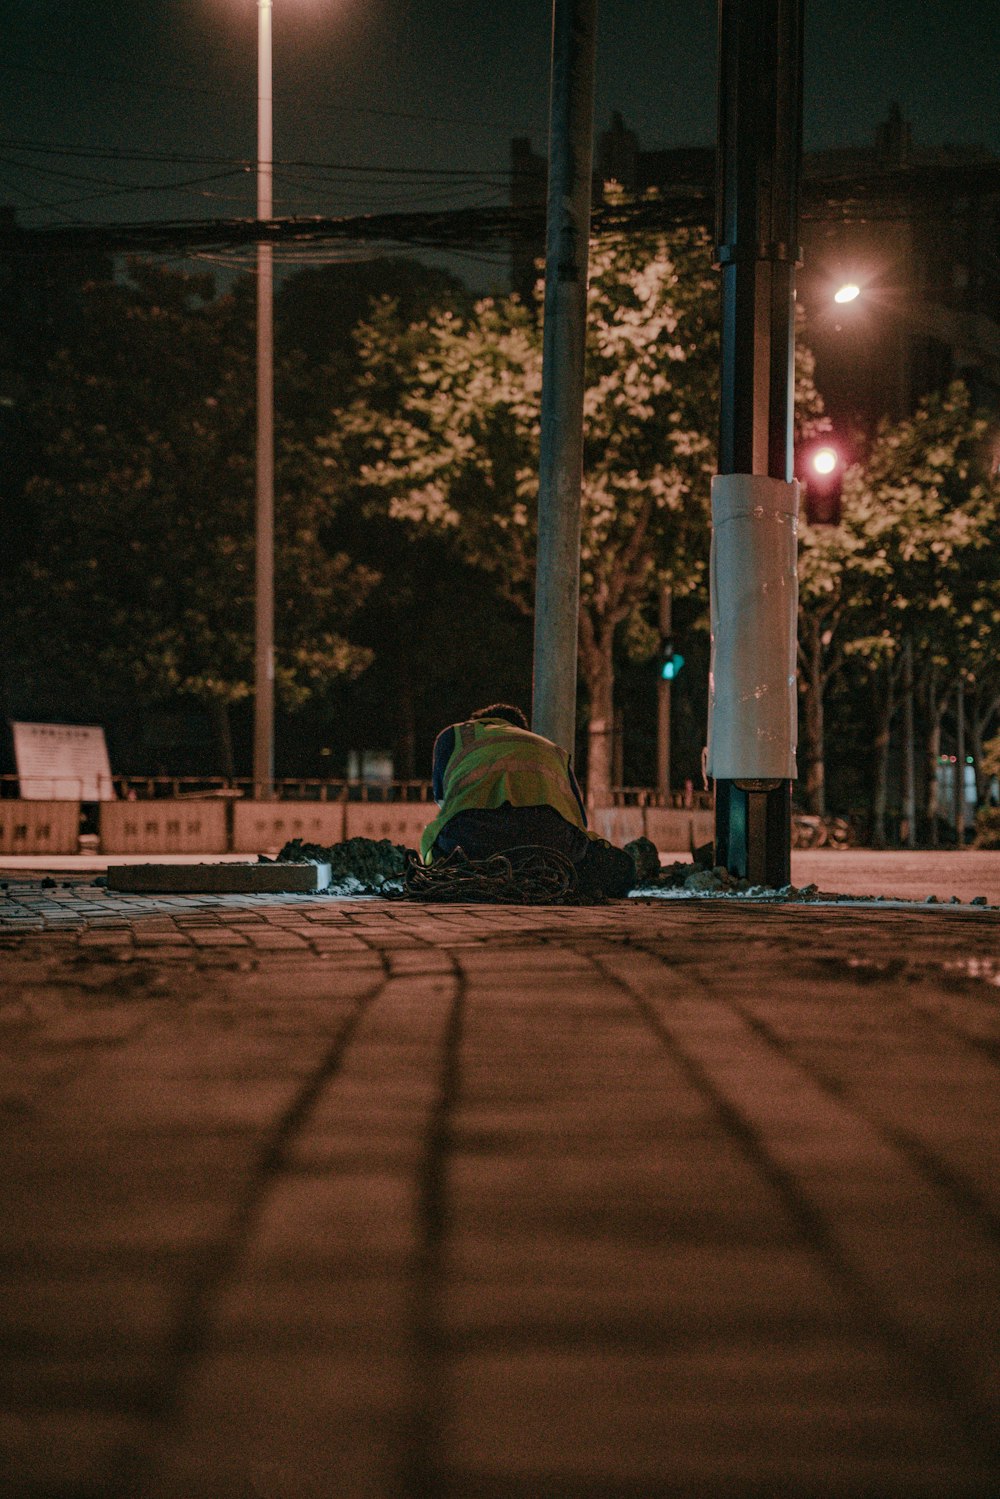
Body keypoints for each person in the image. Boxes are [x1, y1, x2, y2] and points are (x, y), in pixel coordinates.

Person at [419, 703, 639, 897]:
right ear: (520, 729)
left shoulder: (456, 735)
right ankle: (544, 879)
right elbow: (579, 821)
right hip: (549, 849)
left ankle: (477, 875)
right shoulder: (550, 748)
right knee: (622, 866)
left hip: (469, 843)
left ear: (480, 722)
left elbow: (441, 797)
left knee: (434, 857)